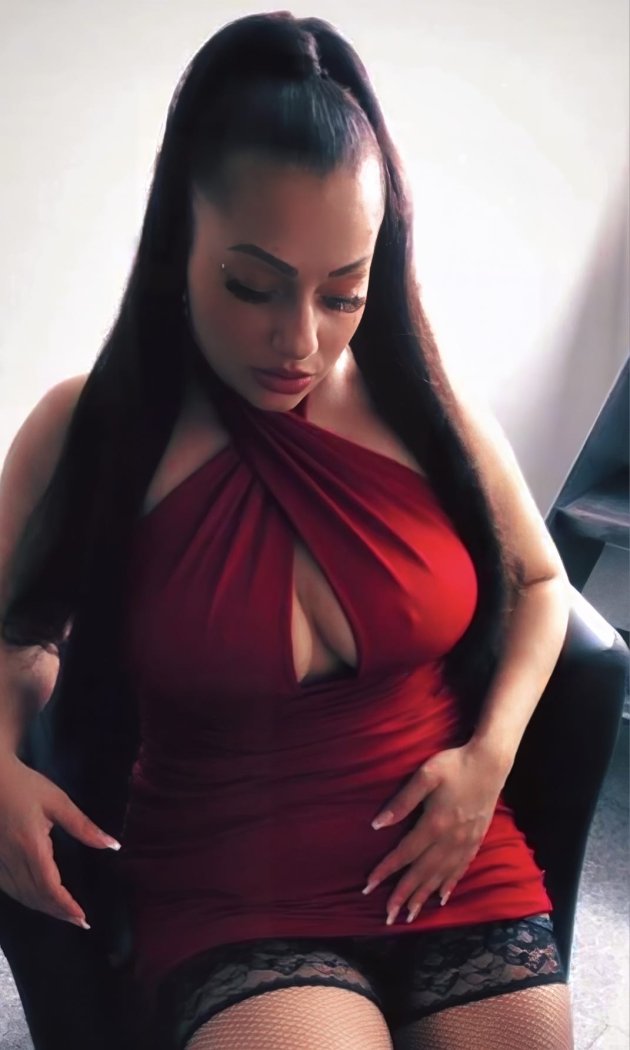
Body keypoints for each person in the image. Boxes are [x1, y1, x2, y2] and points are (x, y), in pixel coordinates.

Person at [0, 11, 576, 1050]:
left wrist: (488, 761)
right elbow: (13, 633)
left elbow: (541, 585)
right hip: (231, 881)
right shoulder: (92, 427)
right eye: (252, 287)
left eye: (343, 293)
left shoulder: (427, 404)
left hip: (447, 844)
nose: (299, 341)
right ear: (179, 244)